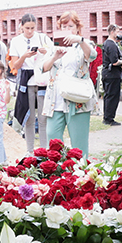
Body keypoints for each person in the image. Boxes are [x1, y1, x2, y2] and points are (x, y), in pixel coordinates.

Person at [41, 11, 97, 157]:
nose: (67, 29)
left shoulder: (84, 44)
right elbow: (43, 68)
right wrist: (54, 57)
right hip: (55, 101)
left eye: (70, 26)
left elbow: (92, 56)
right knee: (52, 143)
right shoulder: (54, 47)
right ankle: (55, 176)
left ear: (77, 27)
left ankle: (81, 176)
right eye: (64, 26)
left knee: (79, 146)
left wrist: (80, 40)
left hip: (77, 100)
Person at [8, 13, 52, 153]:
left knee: (43, 117)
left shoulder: (42, 38)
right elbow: (15, 65)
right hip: (26, 79)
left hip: (41, 77)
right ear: (21, 26)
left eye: (33, 28)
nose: (30, 31)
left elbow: (53, 56)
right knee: (29, 117)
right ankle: (30, 150)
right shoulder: (16, 41)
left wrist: (46, 52)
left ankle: (44, 150)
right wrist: (25, 56)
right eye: (27, 28)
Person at [100, 26, 122, 126]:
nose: (119, 33)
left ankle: (107, 117)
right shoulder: (110, 44)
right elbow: (114, 61)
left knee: (109, 95)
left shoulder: (109, 43)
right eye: (117, 31)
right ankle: (109, 118)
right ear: (112, 32)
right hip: (112, 74)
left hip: (109, 73)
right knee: (112, 96)